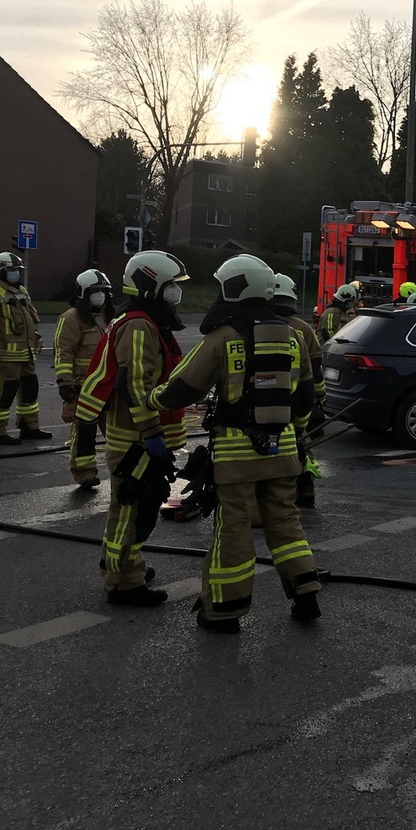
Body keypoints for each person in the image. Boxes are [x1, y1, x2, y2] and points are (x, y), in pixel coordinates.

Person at [149, 254, 322, 633]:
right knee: (285, 521)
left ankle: (225, 610)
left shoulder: (225, 336)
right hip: (284, 452)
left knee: (234, 528)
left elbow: (183, 387)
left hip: (236, 457)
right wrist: (292, 438)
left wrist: (152, 400)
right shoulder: (293, 337)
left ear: (234, 287)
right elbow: (306, 401)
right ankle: (306, 594)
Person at [75, 251, 189, 607]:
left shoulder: (143, 319)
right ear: (151, 284)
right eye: (171, 286)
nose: (175, 293)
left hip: (137, 435)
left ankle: (123, 565)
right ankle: (124, 582)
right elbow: (135, 384)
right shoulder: (139, 324)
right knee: (132, 508)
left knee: (134, 506)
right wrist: (154, 432)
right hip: (136, 439)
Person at [0, 251, 52, 445]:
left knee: (29, 389)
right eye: (12, 270)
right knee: (4, 392)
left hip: (26, 354)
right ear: (0, 271)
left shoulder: (21, 292)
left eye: (17, 270)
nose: (16, 273)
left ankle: (29, 427)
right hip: (5, 356)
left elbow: (30, 321)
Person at [53, 269, 114, 489]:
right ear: (82, 293)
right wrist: (65, 382)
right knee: (84, 434)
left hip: (109, 387)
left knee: (117, 432)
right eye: (95, 291)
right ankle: (85, 473)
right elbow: (63, 351)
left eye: (103, 291)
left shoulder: (110, 318)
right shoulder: (71, 318)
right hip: (84, 388)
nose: (100, 295)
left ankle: (122, 469)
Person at [272, 272, 325, 508]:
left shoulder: (255, 326)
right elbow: (314, 370)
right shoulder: (303, 328)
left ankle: (276, 493)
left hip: (268, 403)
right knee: (301, 446)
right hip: (298, 402)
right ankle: (305, 486)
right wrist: (318, 401)